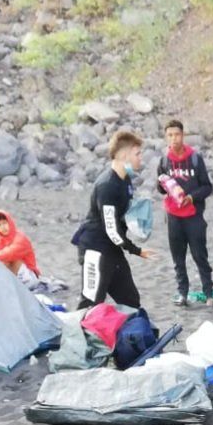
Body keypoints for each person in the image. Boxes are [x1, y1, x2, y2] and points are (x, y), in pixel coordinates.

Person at [75, 129, 154, 309]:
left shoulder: (125, 179)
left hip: (113, 249)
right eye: (137, 153)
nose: (141, 158)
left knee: (130, 300)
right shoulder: (107, 185)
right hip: (95, 248)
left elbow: (121, 215)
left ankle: (133, 335)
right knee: (90, 304)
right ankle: (79, 336)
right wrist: (136, 250)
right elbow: (111, 229)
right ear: (124, 155)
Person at [156, 119, 213, 308]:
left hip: (194, 215)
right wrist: (163, 184)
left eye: (177, 134)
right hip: (173, 216)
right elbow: (161, 188)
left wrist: (191, 197)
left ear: (183, 135)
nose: (174, 138)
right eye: (170, 135)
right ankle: (182, 293)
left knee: (200, 255)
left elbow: (207, 187)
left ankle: (208, 294)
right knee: (178, 258)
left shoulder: (195, 158)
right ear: (166, 137)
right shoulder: (164, 160)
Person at [0, 210, 38, 276]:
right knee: (1, 262)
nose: (3, 227)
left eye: (4, 223)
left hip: (30, 275)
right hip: (14, 276)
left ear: (10, 222)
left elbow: (9, 253)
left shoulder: (21, 238)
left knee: (13, 261)